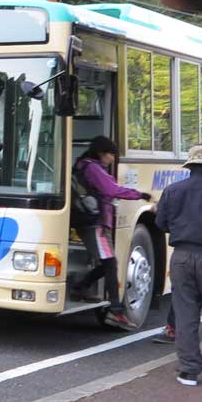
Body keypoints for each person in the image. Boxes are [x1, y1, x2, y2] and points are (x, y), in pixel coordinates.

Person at [155, 145, 202, 388]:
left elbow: (161, 222)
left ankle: (188, 371)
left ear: (189, 165)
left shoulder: (173, 190)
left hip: (182, 257)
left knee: (186, 313)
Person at [71, 136, 152, 330]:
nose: (112, 159)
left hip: (89, 221)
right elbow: (112, 189)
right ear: (101, 153)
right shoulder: (93, 168)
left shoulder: (82, 164)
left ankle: (81, 287)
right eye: (110, 155)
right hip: (95, 223)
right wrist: (141, 195)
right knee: (110, 263)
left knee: (107, 262)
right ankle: (115, 310)